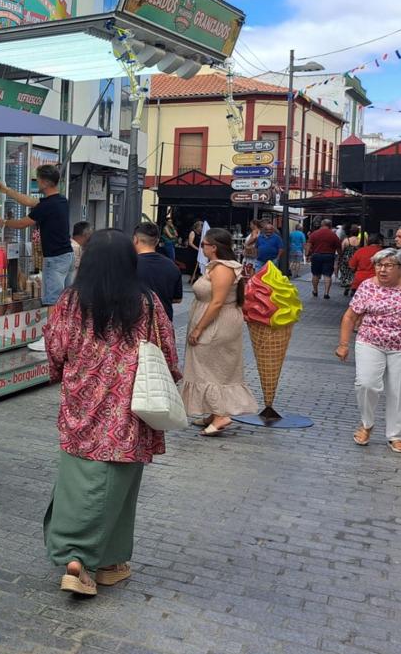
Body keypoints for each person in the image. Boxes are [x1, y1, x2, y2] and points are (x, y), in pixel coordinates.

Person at [43, 229, 181, 597]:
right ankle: (83, 561)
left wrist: (68, 373)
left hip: (80, 409)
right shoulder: (147, 302)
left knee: (78, 483)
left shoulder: (70, 303)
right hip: (128, 414)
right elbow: (168, 354)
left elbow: (55, 350)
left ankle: (100, 559)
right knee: (119, 487)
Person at [181, 228, 258, 435]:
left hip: (217, 324)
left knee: (211, 368)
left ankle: (221, 415)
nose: (202, 247)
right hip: (214, 320)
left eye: (204, 244)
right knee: (208, 366)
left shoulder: (223, 269)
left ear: (214, 247)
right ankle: (212, 412)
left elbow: (216, 303)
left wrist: (199, 329)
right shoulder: (215, 267)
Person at [0, 164, 72, 351]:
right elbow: (30, 201)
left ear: (45, 182)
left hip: (54, 259)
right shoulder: (60, 201)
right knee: (63, 300)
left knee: (52, 301)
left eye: (38, 179)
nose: (37, 182)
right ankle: (64, 338)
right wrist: (7, 191)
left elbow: (24, 223)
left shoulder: (47, 206)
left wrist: (4, 222)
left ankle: (49, 340)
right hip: (67, 256)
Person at [336, 248, 401, 453]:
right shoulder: (367, 286)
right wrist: (343, 344)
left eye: (388, 266)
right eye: (379, 265)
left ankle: (396, 434)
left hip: (399, 346)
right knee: (366, 384)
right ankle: (367, 424)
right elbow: (350, 316)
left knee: (398, 391)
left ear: (400, 268)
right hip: (370, 341)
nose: (382, 270)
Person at [133, 222, 183, 322]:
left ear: (135, 240)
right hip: (163, 326)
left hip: (136, 323)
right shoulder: (172, 266)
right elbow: (178, 299)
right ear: (157, 241)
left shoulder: (128, 264)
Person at [306, 219, 341, 299]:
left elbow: (309, 244)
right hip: (329, 256)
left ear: (321, 225)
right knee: (327, 275)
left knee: (315, 274)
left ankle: (315, 291)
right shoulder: (333, 235)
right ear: (330, 225)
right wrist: (340, 255)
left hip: (316, 255)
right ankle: (326, 293)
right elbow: (338, 247)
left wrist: (307, 254)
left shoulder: (314, 234)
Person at [338, 225, 362, 296]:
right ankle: (353, 288)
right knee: (354, 274)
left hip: (346, 259)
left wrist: (340, 258)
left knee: (346, 273)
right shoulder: (360, 240)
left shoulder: (346, 240)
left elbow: (342, 250)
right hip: (356, 259)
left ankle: (347, 287)